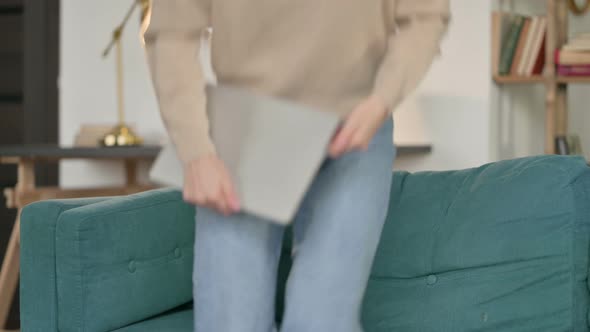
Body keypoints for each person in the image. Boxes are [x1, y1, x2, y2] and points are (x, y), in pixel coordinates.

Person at [144, 1, 450, 331]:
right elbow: (171, 32)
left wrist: (382, 99)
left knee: (319, 320)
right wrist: (196, 151)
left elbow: (425, 15)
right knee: (230, 322)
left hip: (355, 129)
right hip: (246, 132)